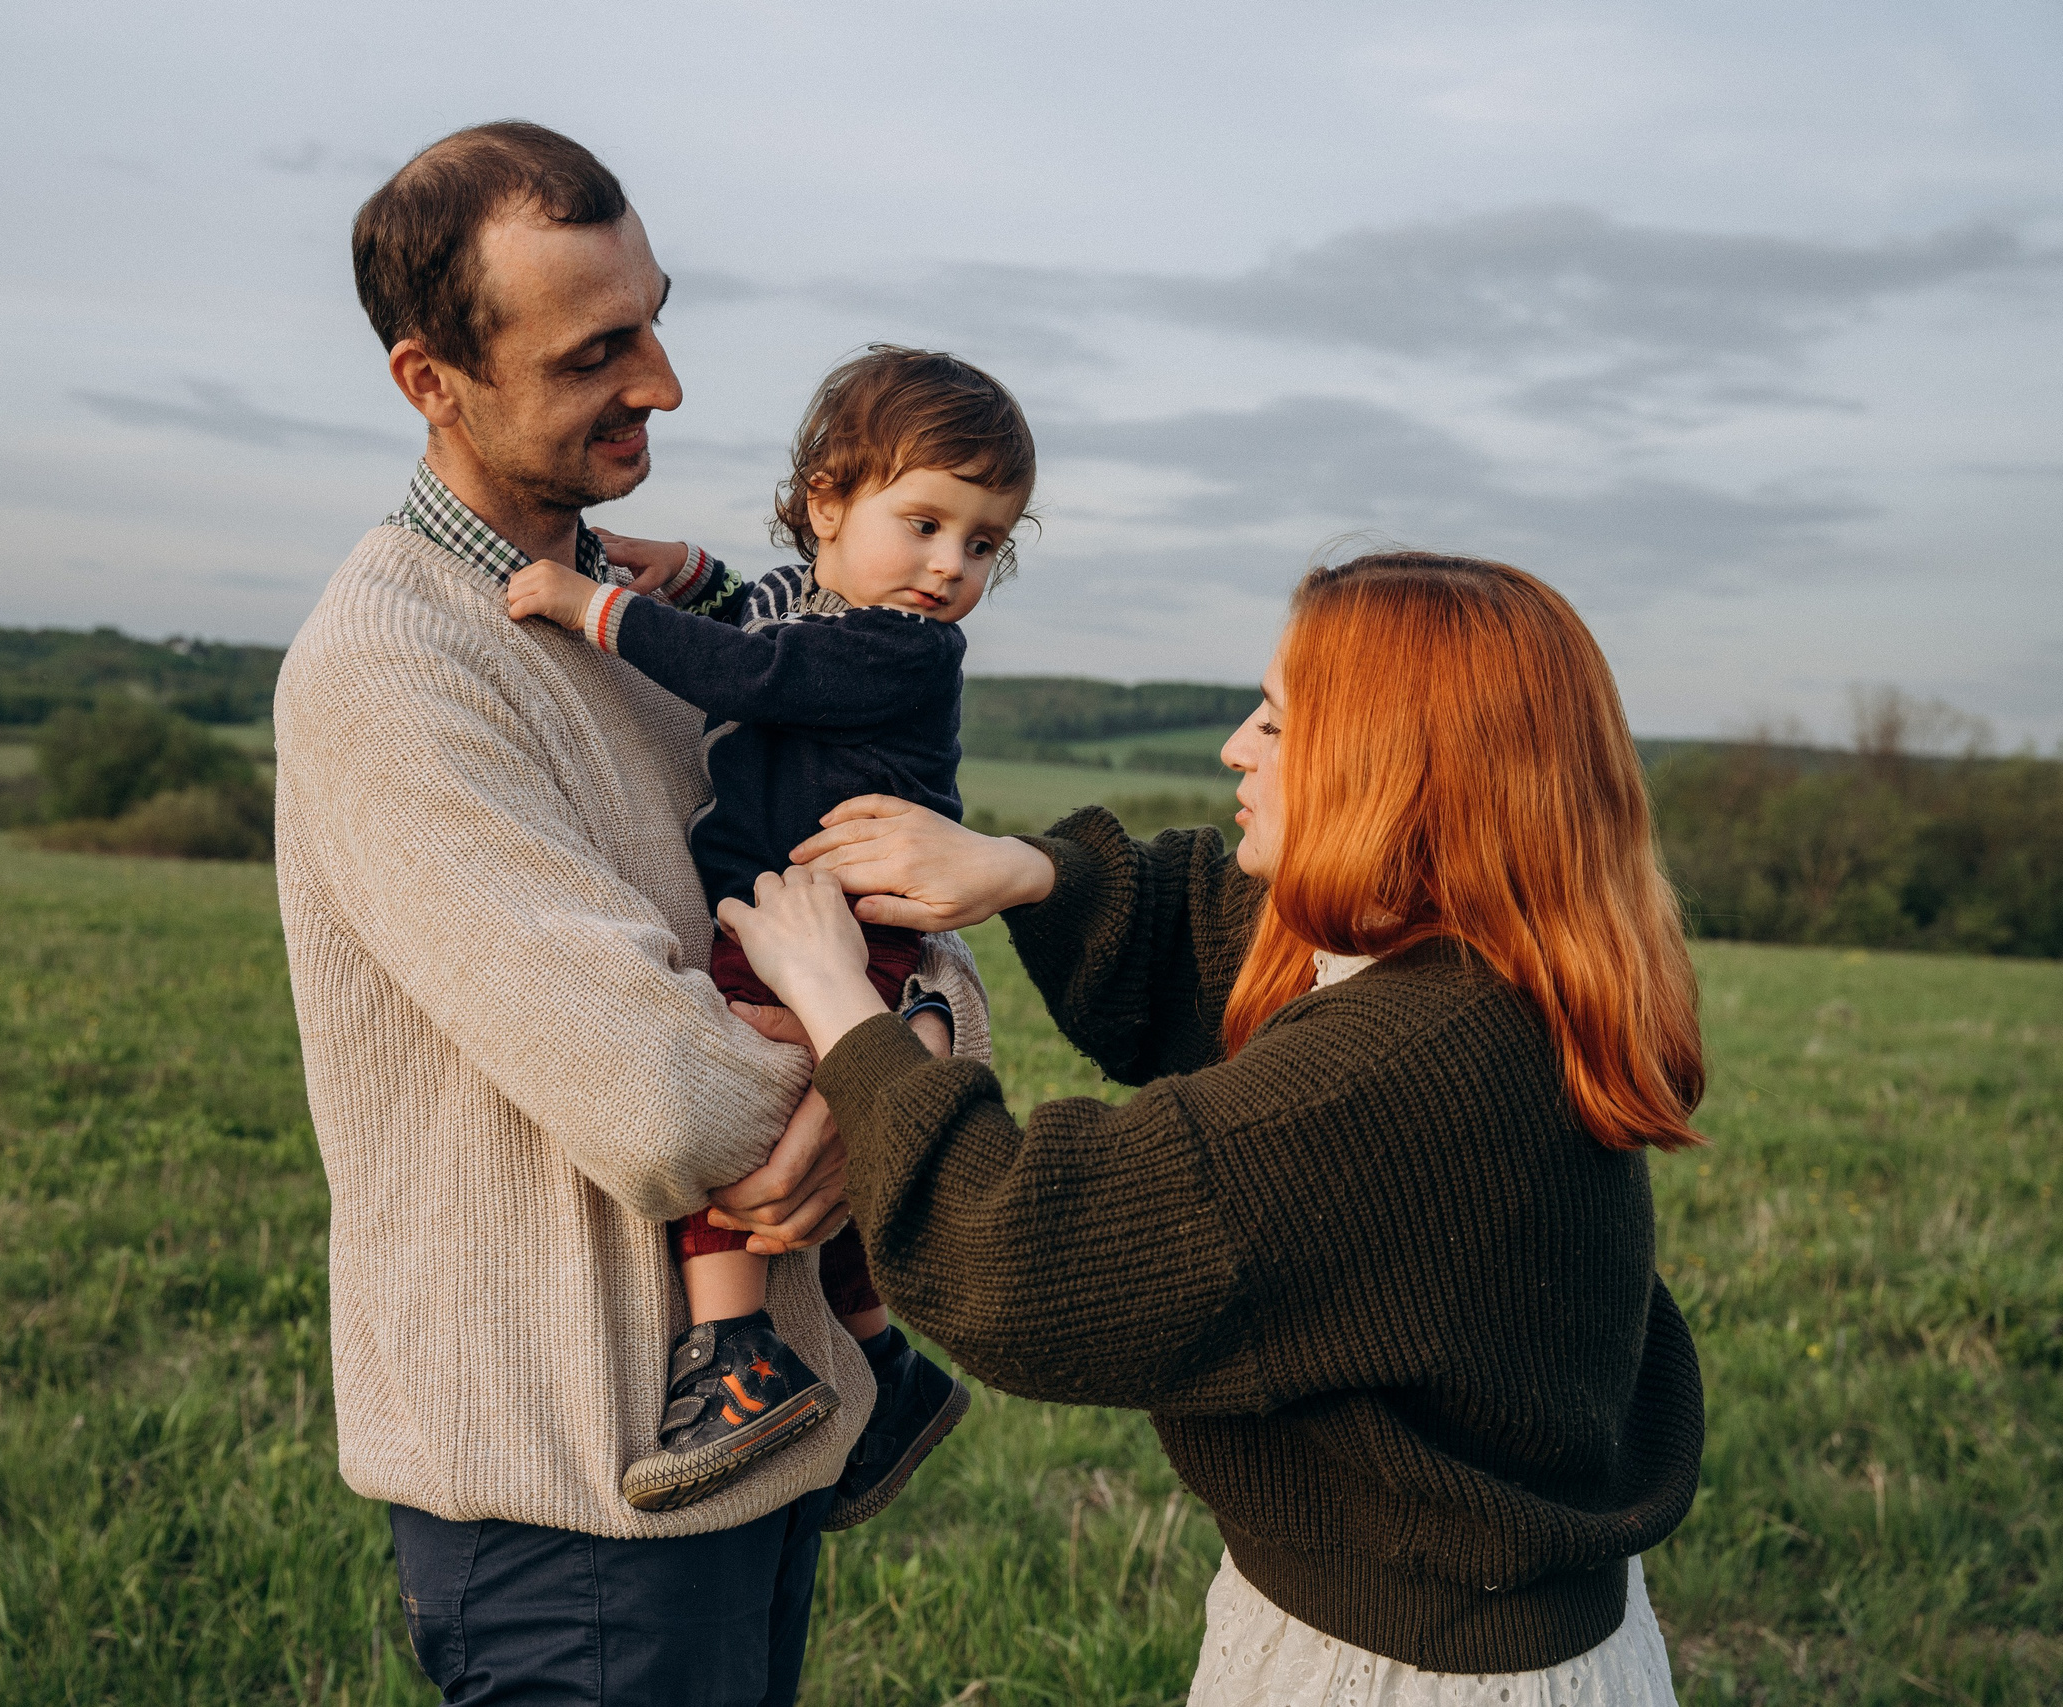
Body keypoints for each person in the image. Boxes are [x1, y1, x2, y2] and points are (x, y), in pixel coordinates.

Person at [719, 551, 1705, 1703]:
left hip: (1402, 1670)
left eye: (1280, 726)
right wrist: (1025, 870)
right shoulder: (1491, 961)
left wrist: (836, 998)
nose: (1237, 747)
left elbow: (1018, 1252)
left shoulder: (1387, 1077)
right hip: (1477, 1626)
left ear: (1391, 770)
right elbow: (1224, 920)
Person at [273, 122, 987, 1706]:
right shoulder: (395, 666)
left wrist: (916, 1033)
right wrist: (880, 1085)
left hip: (769, 1435)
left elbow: (903, 906)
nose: (664, 381)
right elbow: (665, 1096)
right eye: (600, 348)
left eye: (657, 318)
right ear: (430, 380)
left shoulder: (676, 623)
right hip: (577, 1489)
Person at [508, 345, 1030, 1518]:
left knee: (746, 1083)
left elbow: (748, 668)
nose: (950, 567)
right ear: (829, 501)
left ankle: (735, 1351)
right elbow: (766, 606)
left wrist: (596, 605)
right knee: (824, 1137)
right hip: (822, 916)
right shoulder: (831, 604)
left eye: (984, 542)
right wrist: (689, 569)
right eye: (928, 524)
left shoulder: (896, 645)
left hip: (825, 922)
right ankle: (882, 1367)